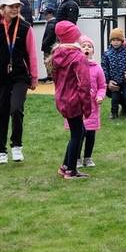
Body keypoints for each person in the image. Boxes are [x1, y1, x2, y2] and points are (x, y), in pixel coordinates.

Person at [0, 0, 38, 165]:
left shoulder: (25, 27)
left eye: (17, 6)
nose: (15, 9)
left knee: (16, 109)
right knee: (2, 113)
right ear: (2, 8)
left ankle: (17, 146)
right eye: (11, 6)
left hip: (20, 76)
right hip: (1, 76)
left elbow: (32, 54)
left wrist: (34, 77)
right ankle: (0, 150)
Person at [50, 21, 92, 180]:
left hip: (62, 99)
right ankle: (71, 171)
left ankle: (65, 166)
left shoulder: (57, 54)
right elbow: (84, 83)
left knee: (79, 131)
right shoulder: (78, 57)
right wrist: (87, 106)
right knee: (78, 133)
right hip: (74, 100)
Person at [77, 36, 106, 168]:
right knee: (78, 134)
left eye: (89, 46)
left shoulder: (97, 68)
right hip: (78, 106)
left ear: (93, 51)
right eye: (84, 46)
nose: (87, 48)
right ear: (79, 50)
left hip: (93, 107)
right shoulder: (76, 66)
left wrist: (100, 96)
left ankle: (88, 157)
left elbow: (102, 86)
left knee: (90, 134)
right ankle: (76, 157)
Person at [102, 27, 126, 119]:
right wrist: (108, 80)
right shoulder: (107, 53)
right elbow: (104, 67)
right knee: (115, 99)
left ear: (122, 41)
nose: (115, 42)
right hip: (114, 81)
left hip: (125, 80)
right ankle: (114, 112)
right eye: (113, 40)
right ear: (110, 41)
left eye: (118, 40)